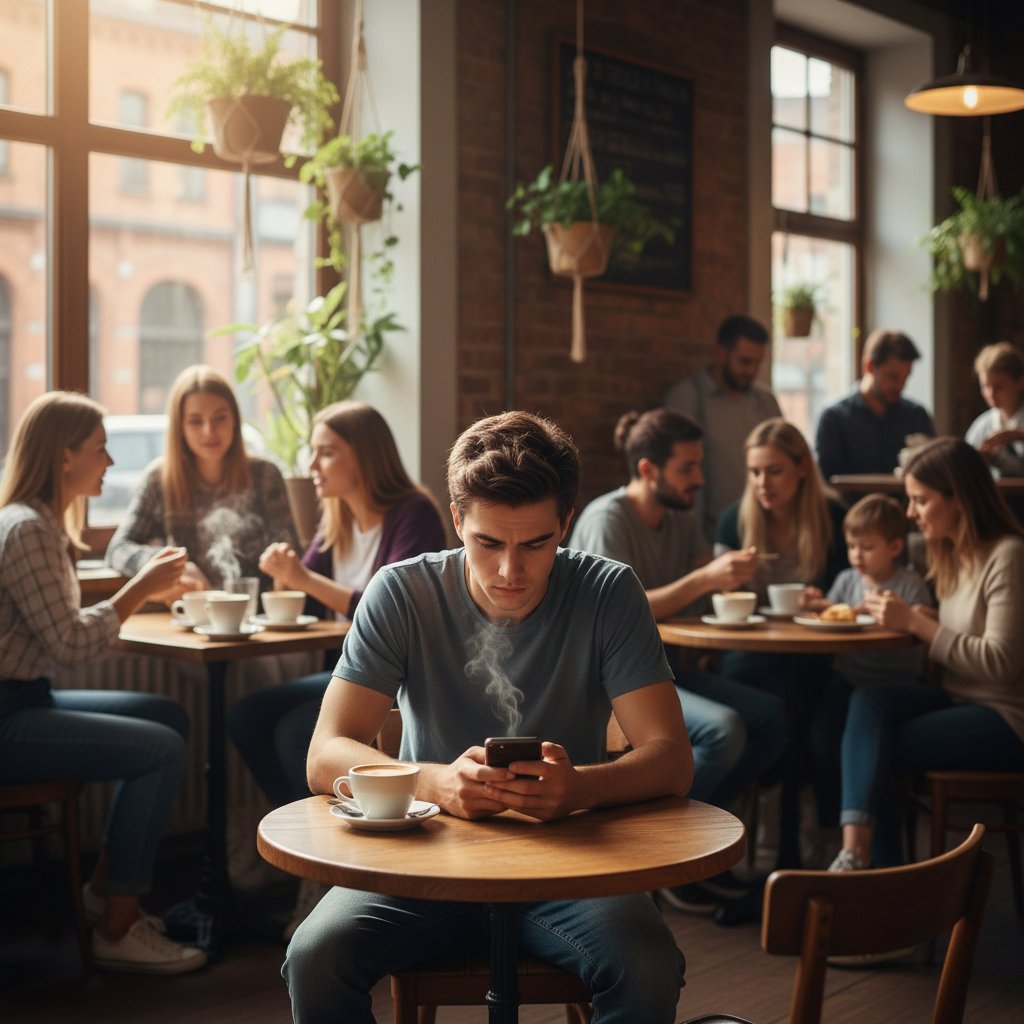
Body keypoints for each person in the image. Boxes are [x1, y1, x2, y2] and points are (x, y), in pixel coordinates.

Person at [283, 411, 690, 1024]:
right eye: (488, 543)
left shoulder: (609, 592)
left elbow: (672, 758)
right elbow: (326, 753)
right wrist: (435, 782)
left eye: (535, 544)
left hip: (569, 867)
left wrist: (581, 786)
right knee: (314, 958)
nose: (510, 572)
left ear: (566, 524)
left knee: (650, 966)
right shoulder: (401, 593)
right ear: (456, 523)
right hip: (423, 864)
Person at [0, 391, 206, 974]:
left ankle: (101, 891)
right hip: (7, 717)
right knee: (161, 749)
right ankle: (118, 923)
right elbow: (68, 645)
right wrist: (139, 588)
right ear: (64, 457)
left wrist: (144, 597)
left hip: (26, 698)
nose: (109, 462)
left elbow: (54, 639)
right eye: (99, 448)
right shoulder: (27, 530)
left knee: (167, 714)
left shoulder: (40, 524)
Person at [226, 401, 447, 938]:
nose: (314, 464)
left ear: (365, 458)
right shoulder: (337, 521)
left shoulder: (411, 514)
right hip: (347, 674)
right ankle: (318, 846)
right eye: (313, 451)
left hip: (397, 682)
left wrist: (299, 576)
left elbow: (380, 604)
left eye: (327, 452)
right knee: (248, 715)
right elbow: (305, 598)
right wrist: (285, 575)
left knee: (296, 731)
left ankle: (324, 866)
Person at [570, 408, 785, 916]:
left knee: (772, 719)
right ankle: (662, 853)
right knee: (723, 731)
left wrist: (728, 574)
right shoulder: (608, 520)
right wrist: (705, 579)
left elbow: (702, 582)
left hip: (666, 668)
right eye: (688, 467)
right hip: (609, 681)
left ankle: (695, 836)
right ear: (648, 470)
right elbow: (617, 612)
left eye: (699, 466)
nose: (701, 479)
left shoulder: (681, 520)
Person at [832, 438, 1024, 878]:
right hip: (961, 700)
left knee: (875, 748)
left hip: (1006, 717)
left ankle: (878, 882)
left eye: (920, 500)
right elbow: (971, 631)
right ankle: (866, 866)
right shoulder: (957, 555)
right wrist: (932, 618)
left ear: (959, 498)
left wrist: (922, 627)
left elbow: (1002, 662)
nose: (912, 514)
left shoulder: (1007, 555)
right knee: (867, 699)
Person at [714, 418, 849, 853]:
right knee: (787, 712)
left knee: (812, 714)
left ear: (802, 469)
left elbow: (852, 593)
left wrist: (823, 602)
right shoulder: (735, 520)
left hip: (818, 654)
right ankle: (793, 829)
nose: (762, 483)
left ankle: (785, 830)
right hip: (751, 654)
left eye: (774, 471)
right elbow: (722, 599)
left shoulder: (832, 517)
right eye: (754, 472)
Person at [801, 494, 933, 835]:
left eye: (867, 547)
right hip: (849, 680)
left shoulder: (909, 585)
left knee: (869, 748)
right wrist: (818, 605)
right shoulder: (847, 581)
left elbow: (920, 627)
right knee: (819, 738)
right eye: (852, 546)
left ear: (894, 546)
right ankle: (831, 825)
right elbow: (830, 613)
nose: (857, 555)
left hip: (897, 683)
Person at [105, 364, 298, 593]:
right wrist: (176, 565)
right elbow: (117, 550)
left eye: (220, 418)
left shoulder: (265, 475)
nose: (209, 431)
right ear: (180, 427)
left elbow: (290, 552)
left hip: (260, 617)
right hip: (192, 616)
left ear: (234, 421)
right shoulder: (160, 480)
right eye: (196, 421)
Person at [663, 314, 782, 542]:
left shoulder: (766, 401)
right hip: (709, 534)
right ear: (720, 352)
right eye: (745, 361)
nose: (752, 370)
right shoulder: (687, 397)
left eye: (758, 363)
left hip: (763, 530)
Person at [815, 328, 935, 481]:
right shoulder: (834, 419)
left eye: (905, 379)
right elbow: (825, 484)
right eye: (892, 377)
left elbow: (933, 475)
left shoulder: (917, 416)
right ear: (869, 366)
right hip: (850, 505)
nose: (900, 386)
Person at [965, 341, 1024, 478]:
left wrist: (1018, 435)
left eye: (999, 387)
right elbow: (965, 469)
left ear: (1020, 382)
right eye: (985, 386)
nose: (990, 394)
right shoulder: (983, 425)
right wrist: (980, 460)